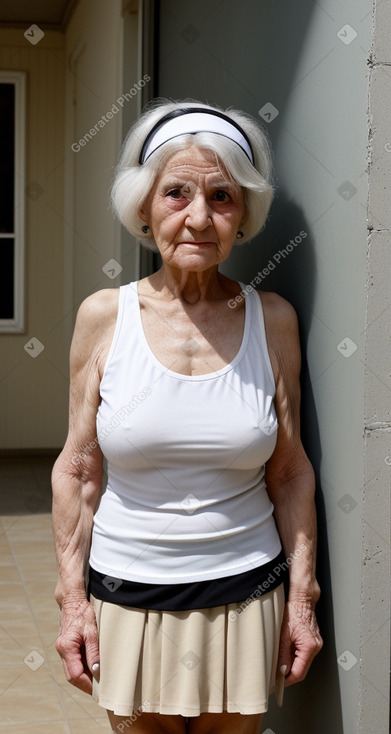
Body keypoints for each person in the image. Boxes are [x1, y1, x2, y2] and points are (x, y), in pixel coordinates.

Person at [52, 99, 323, 734]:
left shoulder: (274, 319)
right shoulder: (104, 316)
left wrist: (302, 599)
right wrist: (71, 602)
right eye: (176, 193)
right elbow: (79, 469)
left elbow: (290, 472)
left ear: (243, 214)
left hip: (248, 594)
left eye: (222, 197)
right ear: (144, 208)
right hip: (128, 595)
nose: (199, 217)